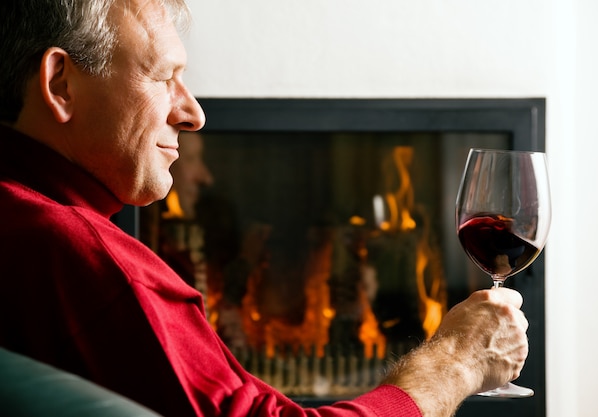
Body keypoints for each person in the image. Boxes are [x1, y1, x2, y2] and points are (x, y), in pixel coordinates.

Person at [0, 1, 530, 417]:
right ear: (60, 84)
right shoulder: (89, 259)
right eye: (164, 77)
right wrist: (459, 361)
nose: (194, 113)